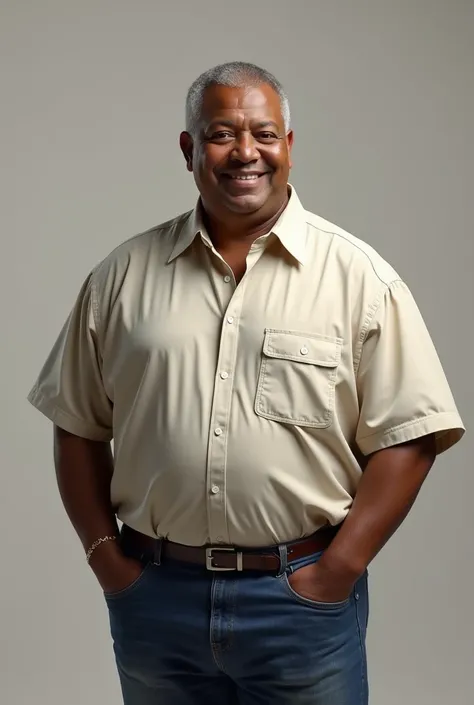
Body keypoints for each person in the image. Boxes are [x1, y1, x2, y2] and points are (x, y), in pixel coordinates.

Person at [27, 61, 465, 705]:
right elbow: (77, 423)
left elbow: (411, 437)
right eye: (221, 133)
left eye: (263, 133)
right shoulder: (120, 279)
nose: (245, 153)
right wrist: (106, 560)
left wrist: (337, 571)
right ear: (189, 150)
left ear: (289, 146)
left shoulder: (360, 280)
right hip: (155, 598)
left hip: (300, 601)